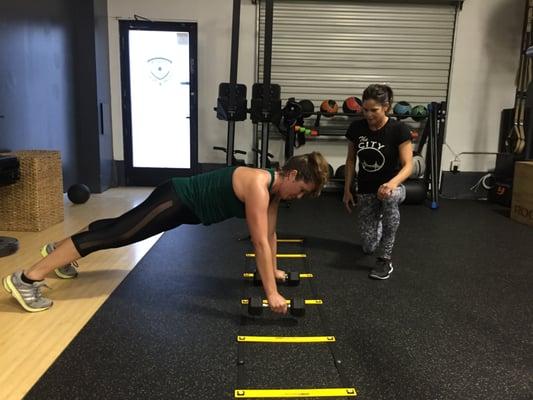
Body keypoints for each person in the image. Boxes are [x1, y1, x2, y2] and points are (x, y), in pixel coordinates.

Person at [3, 152, 329, 313]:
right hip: (174, 201)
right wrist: (271, 294)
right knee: (116, 235)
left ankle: (58, 252)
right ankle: (27, 278)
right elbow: (258, 242)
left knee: (115, 228)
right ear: (292, 173)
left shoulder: (273, 191)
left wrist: (272, 271)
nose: (298, 197)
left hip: (184, 209)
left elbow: (270, 236)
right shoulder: (259, 186)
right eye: (301, 189)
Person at [342, 84, 413, 280]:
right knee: (368, 246)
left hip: (394, 187)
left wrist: (392, 184)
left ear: (386, 107)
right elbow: (350, 160)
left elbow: (408, 165)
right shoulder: (356, 128)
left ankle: (385, 259)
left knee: (388, 198)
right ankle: (378, 226)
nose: (368, 115)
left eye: (374, 110)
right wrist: (347, 189)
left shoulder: (399, 129)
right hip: (366, 189)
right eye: (365, 110)